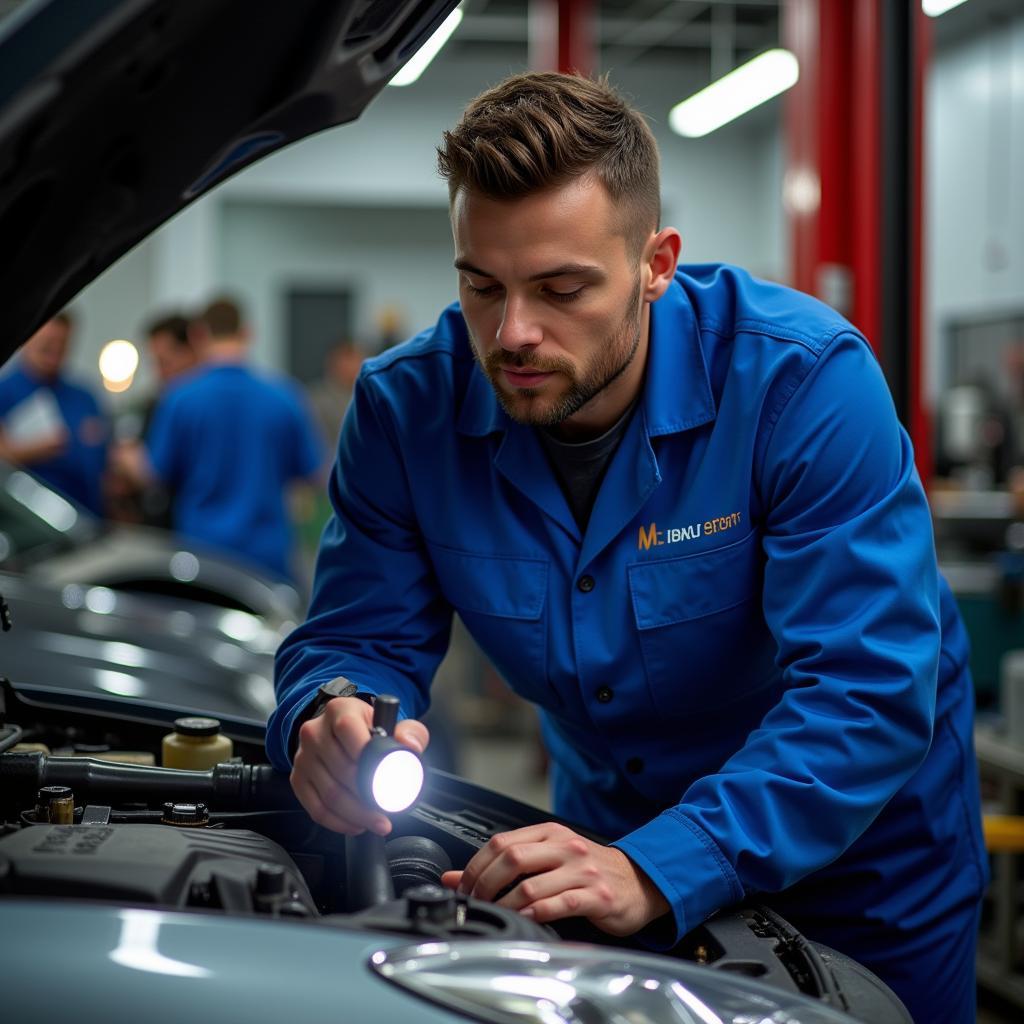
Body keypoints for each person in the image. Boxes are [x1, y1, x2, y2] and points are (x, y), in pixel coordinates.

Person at [267, 73, 986, 1021]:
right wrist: (331, 712)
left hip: (862, 873)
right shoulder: (407, 411)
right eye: (481, 286)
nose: (513, 332)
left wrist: (663, 862)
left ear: (657, 264)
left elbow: (869, 688)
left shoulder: (801, 385)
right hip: (601, 852)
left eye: (562, 289)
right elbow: (358, 636)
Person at [117, 296, 325, 581]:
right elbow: (312, 475)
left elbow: (156, 475)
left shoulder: (180, 399)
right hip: (268, 556)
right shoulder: (285, 397)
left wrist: (127, 458)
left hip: (203, 557)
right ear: (248, 333)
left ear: (198, 335)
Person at [0, 311, 108, 515]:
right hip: (28, 517)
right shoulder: (4, 392)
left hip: (86, 512)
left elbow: (104, 459)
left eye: (62, 344)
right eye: (48, 344)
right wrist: (34, 450)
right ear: (28, 340)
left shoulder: (84, 396)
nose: (55, 351)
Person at [306, 338, 364, 449]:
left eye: (358, 358)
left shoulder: (368, 396)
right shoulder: (317, 399)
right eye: (348, 359)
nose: (355, 364)